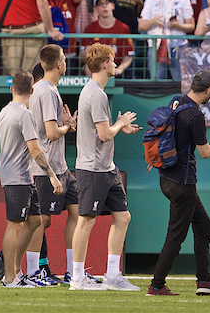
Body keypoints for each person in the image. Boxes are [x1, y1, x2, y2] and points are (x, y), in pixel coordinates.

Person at [149, 68, 210, 297]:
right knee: (175, 235)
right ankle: (156, 286)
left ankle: (204, 281)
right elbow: (205, 152)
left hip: (166, 177)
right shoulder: (195, 116)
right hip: (183, 183)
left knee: (204, 226)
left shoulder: (176, 101)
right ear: (208, 90)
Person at [69, 42, 140, 291]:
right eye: (112, 60)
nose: (115, 63)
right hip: (93, 168)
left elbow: (105, 132)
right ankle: (77, 278)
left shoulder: (96, 91)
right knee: (86, 220)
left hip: (107, 168)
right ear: (103, 64)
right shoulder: (96, 94)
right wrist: (120, 123)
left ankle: (112, 275)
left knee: (123, 217)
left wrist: (121, 127)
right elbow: (105, 134)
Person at [0, 69, 64, 287]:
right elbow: (35, 149)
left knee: (35, 220)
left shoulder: (4, 111)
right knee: (14, 225)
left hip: (18, 174)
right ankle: (9, 276)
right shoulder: (25, 114)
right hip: (18, 176)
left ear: (11, 88)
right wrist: (52, 176)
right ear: (32, 90)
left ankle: (15, 270)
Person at [24, 44, 79, 284]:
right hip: (46, 168)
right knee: (41, 219)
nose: (66, 62)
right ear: (58, 64)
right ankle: (33, 271)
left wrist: (63, 124)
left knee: (78, 212)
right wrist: (68, 125)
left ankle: (73, 270)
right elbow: (52, 132)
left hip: (61, 166)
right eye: (64, 59)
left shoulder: (45, 89)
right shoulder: (46, 91)